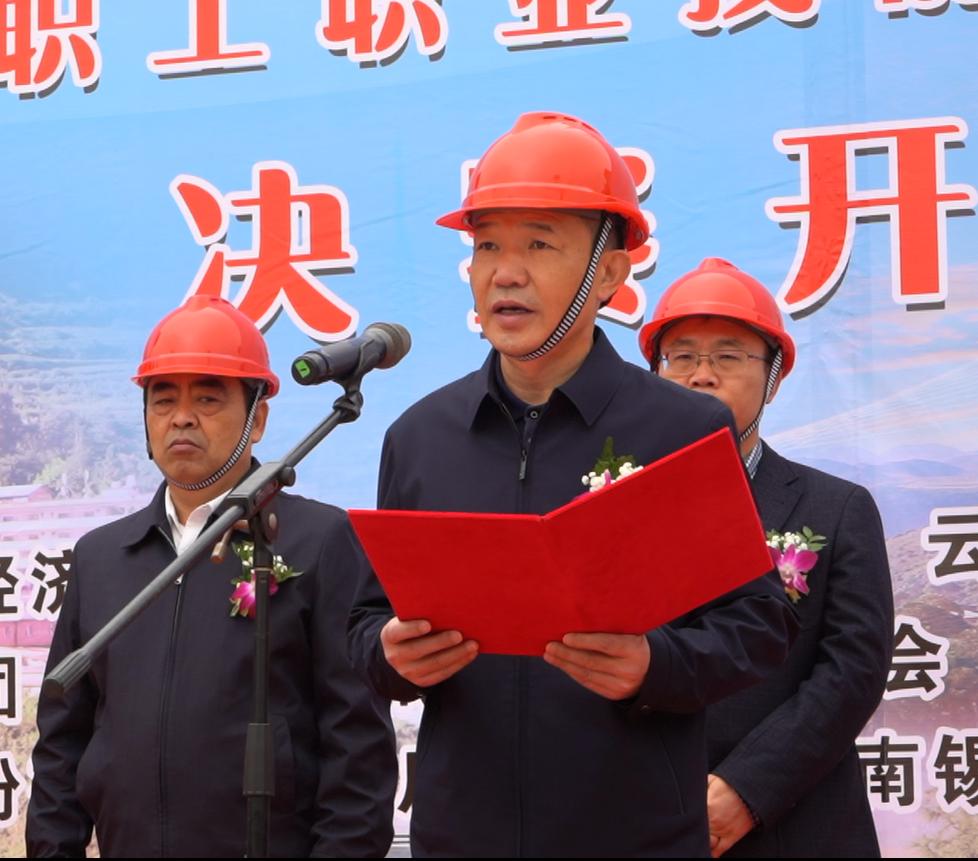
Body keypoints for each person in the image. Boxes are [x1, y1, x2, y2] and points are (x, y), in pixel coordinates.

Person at [348, 112, 798, 857]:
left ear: (610, 274)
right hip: (462, 838)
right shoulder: (420, 437)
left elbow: (758, 625)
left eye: (538, 244)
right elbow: (365, 623)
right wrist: (388, 655)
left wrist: (656, 664)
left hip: (636, 838)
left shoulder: (682, 428)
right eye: (487, 245)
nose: (505, 272)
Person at [27, 295, 397, 858]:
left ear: (258, 419)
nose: (181, 417)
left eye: (207, 398)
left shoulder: (320, 542)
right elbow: (62, 746)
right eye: (163, 399)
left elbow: (357, 748)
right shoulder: (101, 557)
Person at [638, 257, 894, 858]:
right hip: (643, 818)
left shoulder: (837, 508)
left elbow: (852, 670)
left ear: (774, 378)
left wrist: (746, 789)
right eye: (681, 357)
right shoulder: (609, 504)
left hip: (794, 823)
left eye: (728, 357)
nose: (702, 376)